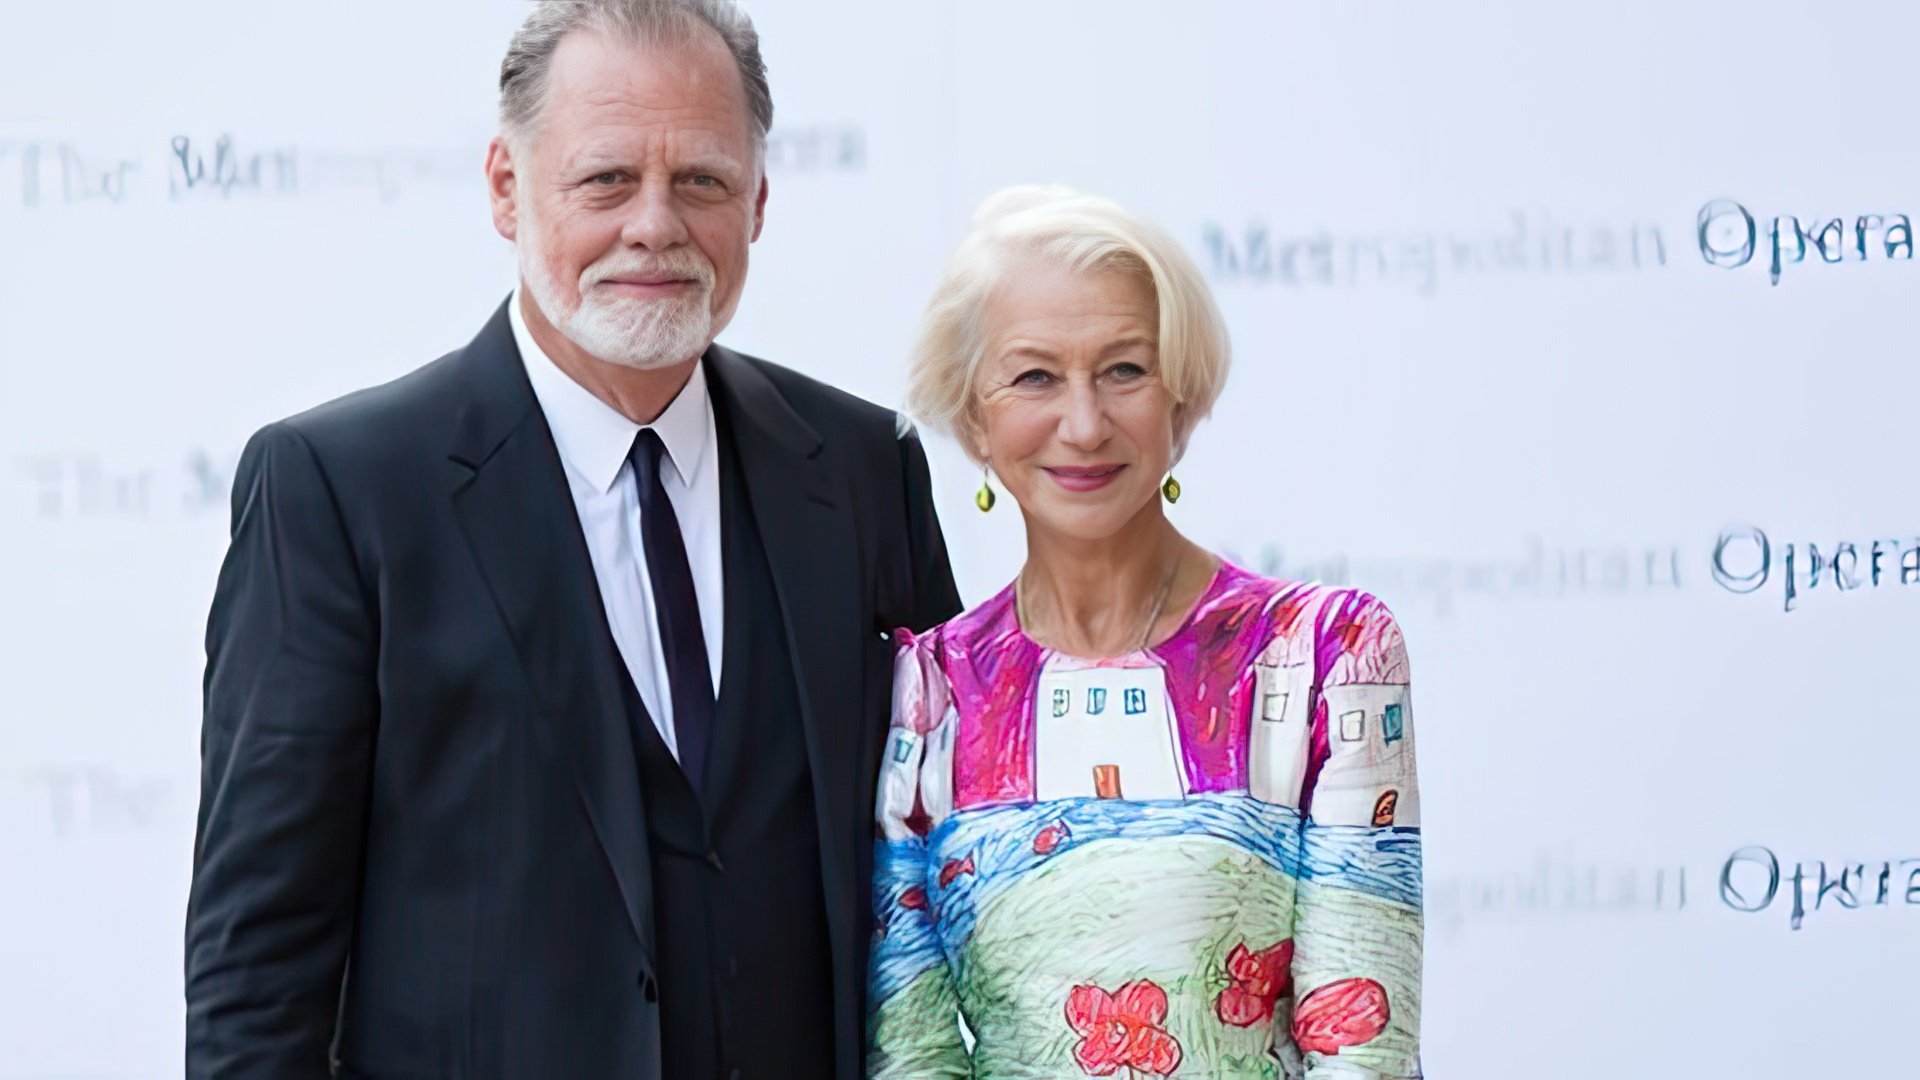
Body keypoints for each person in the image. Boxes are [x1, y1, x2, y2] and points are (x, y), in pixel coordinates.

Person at [183, 2, 959, 1078]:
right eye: (604, 180)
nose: (655, 224)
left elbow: (944, 864)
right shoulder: (340, 491)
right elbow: (256, 967)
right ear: (507, 187)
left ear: (760, 202)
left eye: (702, 180)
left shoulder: (865, 467)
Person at [866, 188, 1424, 1078]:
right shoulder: (926, 689)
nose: (1084, 424)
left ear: (1183, 400)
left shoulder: (1327, 653)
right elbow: (914, 1054)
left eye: (1125, 370)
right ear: (975, 419)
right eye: (1035, 376)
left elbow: (1365, 1045)